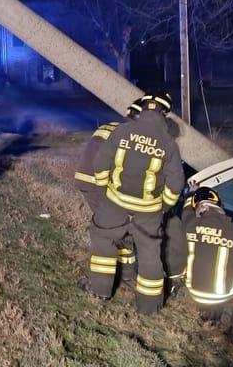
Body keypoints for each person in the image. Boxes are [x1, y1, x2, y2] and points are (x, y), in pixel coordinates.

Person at [87, 92, 184, 315]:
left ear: (143, 109)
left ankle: (100, 291)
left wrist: (104, 191)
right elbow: (176, 183)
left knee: (103, 242)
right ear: (164, 113)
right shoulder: (168, 143)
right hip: (148, 213)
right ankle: (149, 308)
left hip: (114, 205)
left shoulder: (122, 131)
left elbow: (100, 163)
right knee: (150, 254)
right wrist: (164, 207)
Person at [74, 98, 145, 285]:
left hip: (86, 180)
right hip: (101, 185)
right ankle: (104, 283)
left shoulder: (110, 127)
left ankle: (125, 274)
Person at [166, 187, 233, 321]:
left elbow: (187, 212)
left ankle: (207, 316)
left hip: (195, 291)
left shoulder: (191, 224)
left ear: (199, 209)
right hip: (220, 295)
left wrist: (190, 196)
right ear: (220, 207)